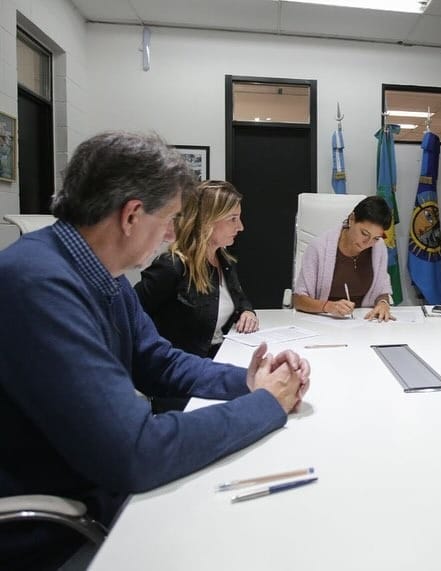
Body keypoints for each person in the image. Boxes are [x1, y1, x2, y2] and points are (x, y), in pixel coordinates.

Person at [0, 132, 311, 569]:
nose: (171, 234)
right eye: (168, 219)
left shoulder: (98, 272)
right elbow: (136, 452)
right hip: (56, 537)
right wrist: (265, 405)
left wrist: (247, 378)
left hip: (102, 491)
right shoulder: (37, 285)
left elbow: (157, 360)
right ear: (131, 215)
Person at [135, 180, 257, 359]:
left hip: (219, 356)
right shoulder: (173, 266)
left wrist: (247, 311)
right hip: (180, 369)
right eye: (233, 219)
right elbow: (131, 314)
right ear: (208, 220)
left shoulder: (224, 261)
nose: (240, 227)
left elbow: (239, 297)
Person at [293, 195, 395, 321]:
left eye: (375, 238)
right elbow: (298, 300)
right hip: (325, 323)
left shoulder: (378, 248)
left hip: (365, 325)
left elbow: (382, 289)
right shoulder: (318, 248)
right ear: (352, 219)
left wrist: (383, 304)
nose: (367, 243)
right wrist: (328, 306)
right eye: (364, 233)